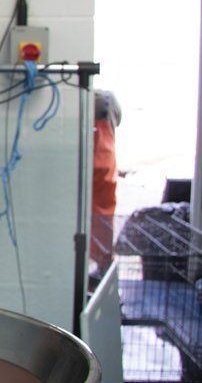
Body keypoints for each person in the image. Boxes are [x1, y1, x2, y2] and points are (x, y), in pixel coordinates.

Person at [90, 89, 121, 276]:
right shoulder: (106, 100)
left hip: (100, 163)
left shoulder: (102, 101)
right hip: (104, 161)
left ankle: (102, 266)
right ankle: (102, 266)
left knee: (100, 209)